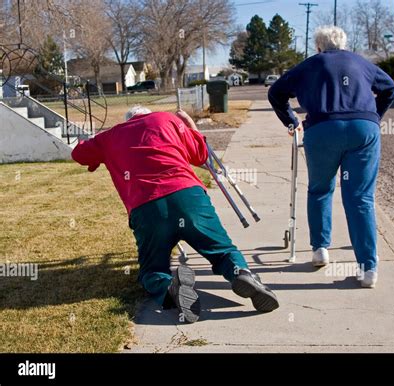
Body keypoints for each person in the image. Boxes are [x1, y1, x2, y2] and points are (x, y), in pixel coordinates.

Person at [71, 106, 279, 323]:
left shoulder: (111, 135)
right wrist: (191, 126)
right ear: (148, 113)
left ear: (128, 119)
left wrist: (98, 149)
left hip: (147, 208)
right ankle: (241, 273)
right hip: (189, 198)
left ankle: (169, 287)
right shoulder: (168, 120)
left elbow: (78, 153)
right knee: (223, 250)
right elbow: (200, 155)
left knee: (152, 269)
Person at [268, 26, 394, 288]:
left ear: (318, 47)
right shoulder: (361, 62)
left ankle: (320, 250)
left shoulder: (308, 65)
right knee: (360, 197)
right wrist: (372, 117)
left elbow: (276, 93)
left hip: (322, 129)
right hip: (363, 130)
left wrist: (292, 121)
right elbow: (389, 88)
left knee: (320, 189)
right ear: (345, 44)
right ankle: (368, 269)